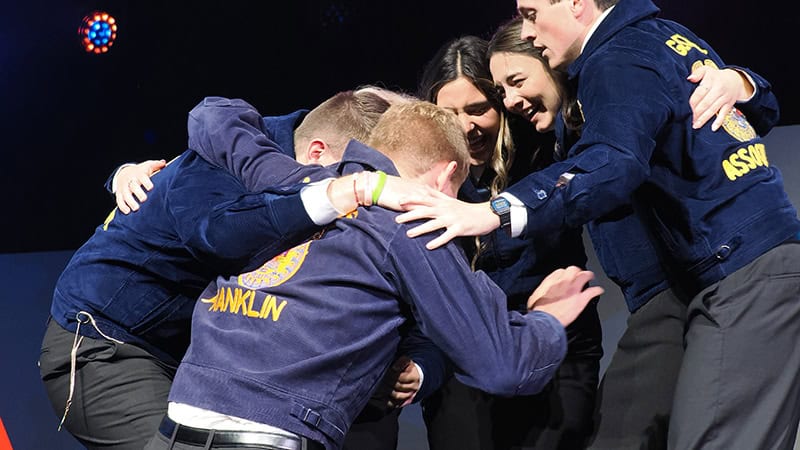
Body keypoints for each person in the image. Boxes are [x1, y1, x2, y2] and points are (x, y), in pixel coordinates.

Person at [396, 1, 800, 448]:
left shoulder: (613, 62)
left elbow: (612, 163)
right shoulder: (643, 46)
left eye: (531, 13)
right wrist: (744, 82)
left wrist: (492, 212)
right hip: (686, 285)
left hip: (720, 272)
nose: (528, 31)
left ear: (575, 5)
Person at [142, 99, 604, 450]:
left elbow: (211, 115)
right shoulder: (416, 225)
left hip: (174, 425)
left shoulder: (304, 182)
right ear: (447, 177)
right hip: (270, 435)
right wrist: (545, 319)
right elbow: (503, 366)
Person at [38, 89, 399, 450]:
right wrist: (329, 194)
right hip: (102, 343)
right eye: (351, 173)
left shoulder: (281, 148)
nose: (360, 190)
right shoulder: (222, 158)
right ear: (317, 152)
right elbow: (218, 237)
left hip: (188, 358)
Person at [414, 35, 602, 450]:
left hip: (560, 345)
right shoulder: (422, 175)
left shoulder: (547, 145)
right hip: (464, 360)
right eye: (450, 114)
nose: (467, 126)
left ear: (502, 101)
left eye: (479, 109)